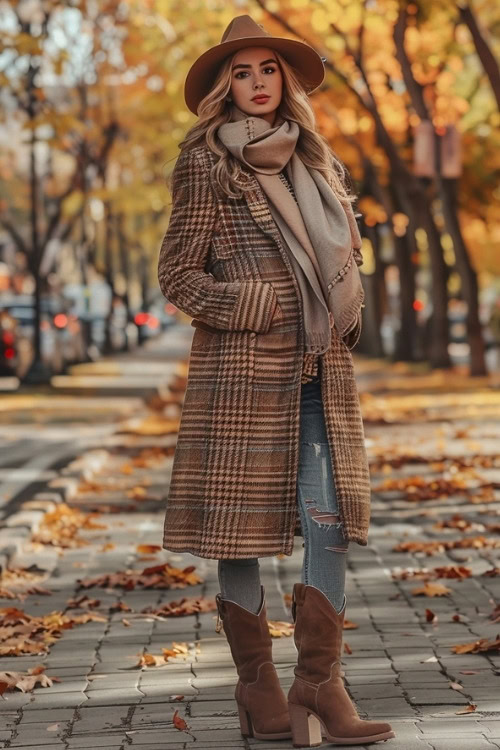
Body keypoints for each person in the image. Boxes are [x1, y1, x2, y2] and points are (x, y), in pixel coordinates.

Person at [157, 14, 395, 748]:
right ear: (223, 87)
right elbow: (176, 274)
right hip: (242, 374)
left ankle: (319, 684)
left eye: (267, 70)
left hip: (322, 370)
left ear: (284, 80)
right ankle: (258, 682)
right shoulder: (205, 162)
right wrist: (247, 303)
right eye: (241, 72)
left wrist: (347, 299)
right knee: (242, 531)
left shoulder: (319, 166)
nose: (257, 84)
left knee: (331, 523)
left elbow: (339, 268)